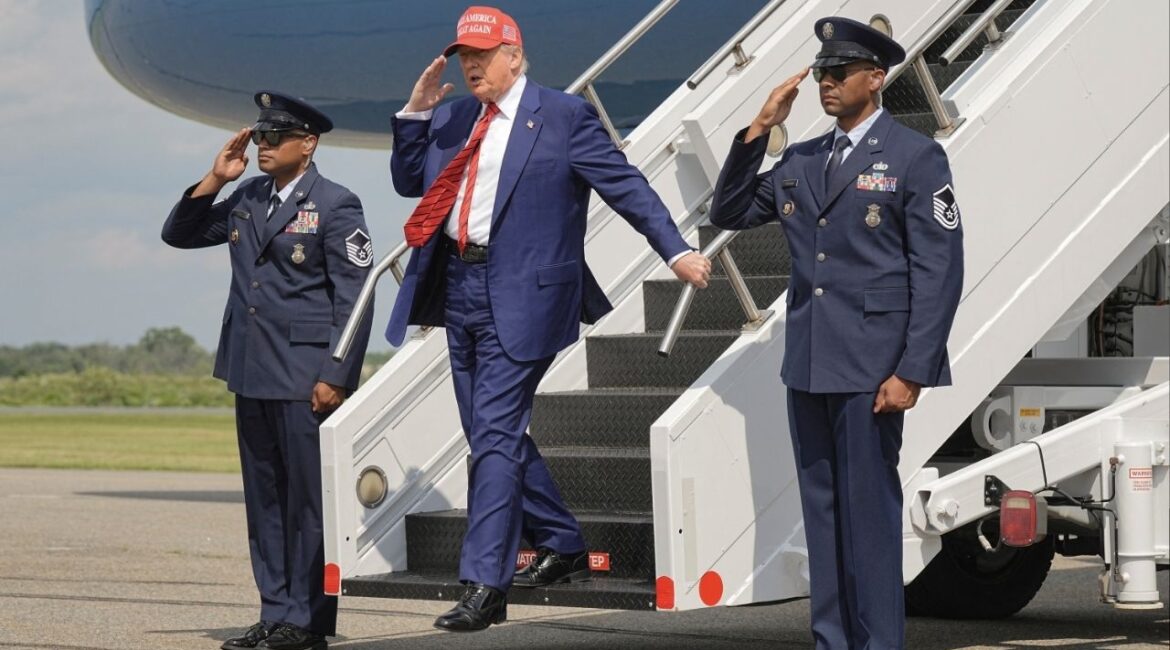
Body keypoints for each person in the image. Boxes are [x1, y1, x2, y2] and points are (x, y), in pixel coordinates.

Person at [385, 5, 711, 633]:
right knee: (488, 432)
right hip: (458, 286)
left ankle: (486, 583)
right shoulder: (453, 117)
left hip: (528, 295)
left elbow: (625, 185)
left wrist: (675, 248)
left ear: (515, 53)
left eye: (483, 54)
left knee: (496, 433)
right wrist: (417, 113)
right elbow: (410, 184)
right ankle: (561, 541)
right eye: (464, 57)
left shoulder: (561, 116)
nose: (472, 66)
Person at [708, 16, 964, 650]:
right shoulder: (801, 158)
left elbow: (939, 270)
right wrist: (759, 127)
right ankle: (833, 641)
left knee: (869, 517)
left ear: (874, 79)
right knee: (821, 517)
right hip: (812, 364)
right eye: (821, 72)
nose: (826, 82)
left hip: (876, 369)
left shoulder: (914, 155)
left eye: (839, 72)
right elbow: (730, 211)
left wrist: (914, 369)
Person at [162, 91, 374, 650]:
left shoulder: (336, 204)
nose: (263, 145)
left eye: (276, 136)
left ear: (308, 144)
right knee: (265, 503)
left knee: (307, 503)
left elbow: (355, 299)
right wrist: (216, 178)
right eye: (260, 136)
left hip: (306, 375)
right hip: (250, 370)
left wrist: (338, 373)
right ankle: (275, 611)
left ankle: (305, 623)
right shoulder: (248, 196)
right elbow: (179, 233)